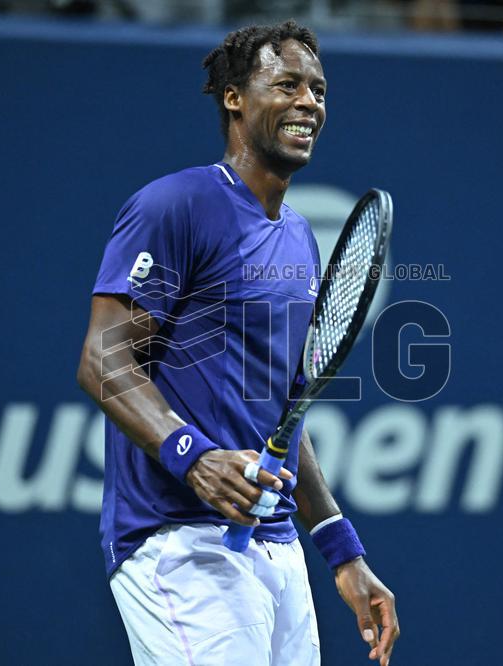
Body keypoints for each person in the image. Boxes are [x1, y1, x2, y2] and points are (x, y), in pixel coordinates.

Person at [76, 19, 400, 666]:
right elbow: (103, 360)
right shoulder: (176, 205)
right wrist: (193, 456)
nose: (309, 101)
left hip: (275, 551)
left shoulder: (301, 240)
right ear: (234, 98)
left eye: (319, 89)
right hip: (177, 542)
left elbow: (285, 411)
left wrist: (342, 550)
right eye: (286, 85)